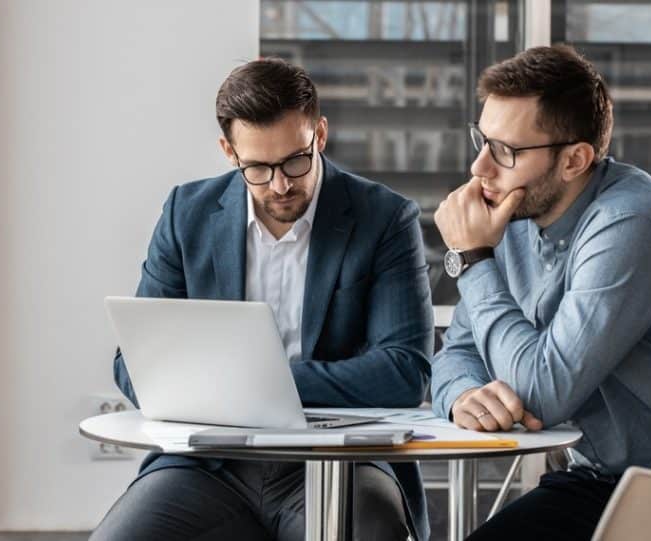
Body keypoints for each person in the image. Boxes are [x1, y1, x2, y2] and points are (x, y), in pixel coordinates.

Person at [91, 58, 435, 541]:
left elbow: (404, 371)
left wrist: (257, 384)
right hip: (209, 466)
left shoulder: (384, 217)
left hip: (338, 460)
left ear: (319, 133)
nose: (280, 185)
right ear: (228, 151)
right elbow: (134, 365)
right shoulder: (185, 215)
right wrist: (234, 392)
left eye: (295, 160)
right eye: (258, 167)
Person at [430, 44, 651, 540]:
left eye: (505, 151)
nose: (480, 169)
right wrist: (462, 393)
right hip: (601, 479)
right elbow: (460, 349)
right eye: (481, 141)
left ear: (575, 159)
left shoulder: (630, 221)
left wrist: (472, 259)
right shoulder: (514, 215)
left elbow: (542, 392)